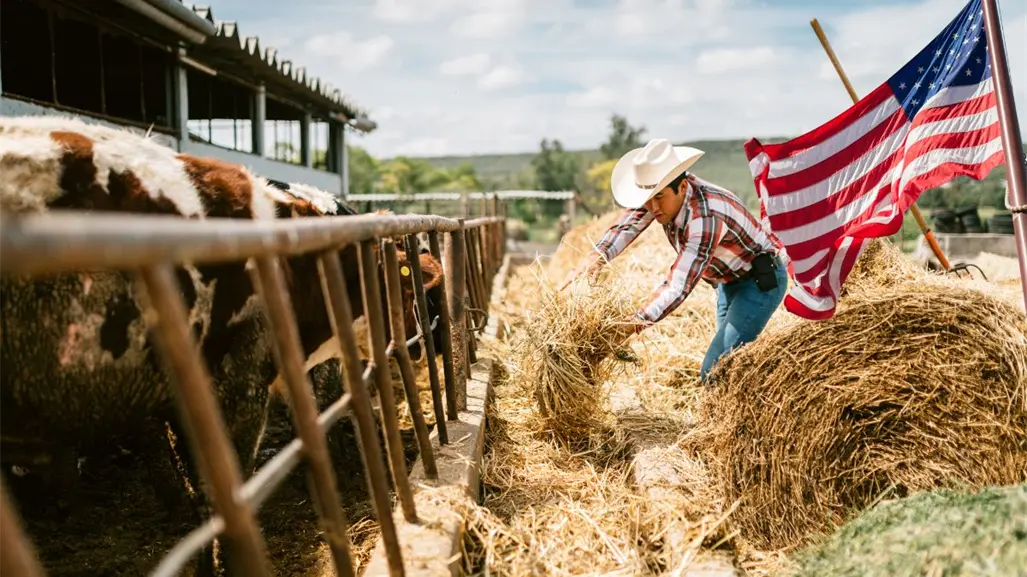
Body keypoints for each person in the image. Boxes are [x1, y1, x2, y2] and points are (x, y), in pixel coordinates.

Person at [559, 138, 788, 384]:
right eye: (647, 199)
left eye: (659, 197)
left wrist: (631, 323)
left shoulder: (705, 217)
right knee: (730, 367)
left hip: (759, 281)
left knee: (715, 370)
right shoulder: (658, 195)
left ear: (682, 187)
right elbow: (627, 226)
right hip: (726, 282)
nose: (653, 207)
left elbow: (677, 286)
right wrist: (593, 261)